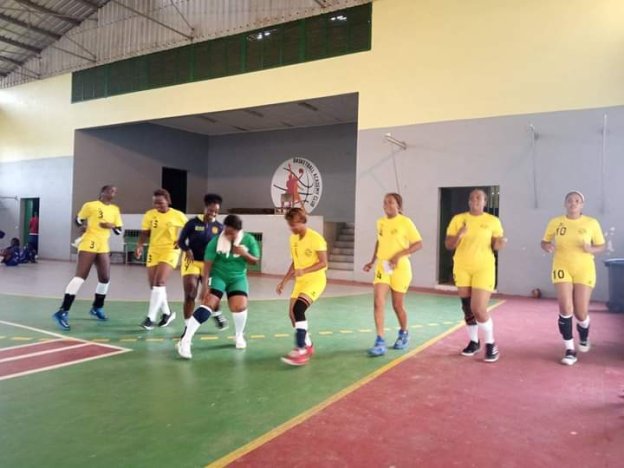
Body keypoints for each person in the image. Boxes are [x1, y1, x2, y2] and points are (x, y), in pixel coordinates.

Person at [177, 215, 260, 359]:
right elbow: (207, 265)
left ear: (238, 231)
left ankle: (239, 335)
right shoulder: (216, 241)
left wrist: (244, 253)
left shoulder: (249, 240)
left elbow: (255, 261)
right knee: (208, 305)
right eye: (225, 231)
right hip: (218, 276)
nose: (227, 235)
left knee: (239, 307)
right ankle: (185, 340)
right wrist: (204, 287)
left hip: (237, 278)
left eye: (231, 232)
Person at [541, 191, 605, 366]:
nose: (573, 203)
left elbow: (601, 245)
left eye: (577, 201)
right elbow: (544, 241)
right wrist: (546, 246)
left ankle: (584, 334)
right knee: (565, 307)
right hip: (562, 267)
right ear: (565, 204)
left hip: (584, 269)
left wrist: (591, 249)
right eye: (570, 200)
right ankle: (569, 349)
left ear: (582, 205)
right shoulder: (555, 222)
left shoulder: (591, 223)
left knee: (580, 312)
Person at [445, 188, 506, 363]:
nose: (475, 200)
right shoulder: (458, 219)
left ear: (485, 202)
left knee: (478, 308)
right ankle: (473, 342)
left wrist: (500, 243)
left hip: (483, 268)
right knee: (467, 308)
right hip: (462, 267)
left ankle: (491, 344)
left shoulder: (492, 221)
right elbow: (449, 245)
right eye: (472, 197)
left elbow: (496, 244)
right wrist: (459, 234)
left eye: (479, 198)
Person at [52, 185, 123, 330]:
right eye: (110, 190)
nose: (113, 193)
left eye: (115, 191)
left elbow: (119, 230)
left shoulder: (115, 209)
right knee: (80, 277)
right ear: (103, 192)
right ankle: (62, 311)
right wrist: (83, 225)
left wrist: (111, 226)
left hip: (103, 244)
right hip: (89, 241)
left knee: (105, 278)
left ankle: (97, 307)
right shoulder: (90, 205)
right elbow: (78, 220)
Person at [363, 193, 423, 357]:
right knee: (378, 302)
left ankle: (404, 332)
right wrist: (372, 261)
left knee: (397, 305)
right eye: (385, 202)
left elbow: (418, 244)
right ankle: (380, 340)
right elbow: (379, 241)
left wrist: (398, 255)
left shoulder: (405, 222)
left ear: (398, 206)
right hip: (383, 267)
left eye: (390, 202)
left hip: (400, 267)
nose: (387, 205)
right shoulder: (380, 222)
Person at [276, 208, 328, 366]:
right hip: (300, 281)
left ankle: (301, 349)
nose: (291, 228)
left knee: (299, 309)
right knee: (292, 315)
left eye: (294, 224)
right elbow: (295, 262)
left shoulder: (316, 239)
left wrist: (304, 270)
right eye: (289, 225)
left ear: (302, 221)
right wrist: (284, 281)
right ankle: (308, 345)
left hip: (315, 280)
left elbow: (324, 263)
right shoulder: (293, 239)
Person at [136, 189, 188, 330]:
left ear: (168, 201)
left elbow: (189, 230)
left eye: (160, 202)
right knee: (154, 286)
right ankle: (167, 313)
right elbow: (145, 232)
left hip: (170, 250)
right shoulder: (149, 215)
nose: (157, 205)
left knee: (159, 282)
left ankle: (150, 318)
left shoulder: (178, 215)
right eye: (155, 203)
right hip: (154, 250)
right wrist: (140, 245)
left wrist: (181, 239)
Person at [178, 193, 228, 331]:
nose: (213, 213)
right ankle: (188, 326)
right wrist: (187, 249)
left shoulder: (219, 227)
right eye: (211, 210)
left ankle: (216, 313)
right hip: (192, 262)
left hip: (209, 264)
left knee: (211, 294)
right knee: (190, 293)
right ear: (205, 208)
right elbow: (181, 242)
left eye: (216, 211)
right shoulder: (192, 223)